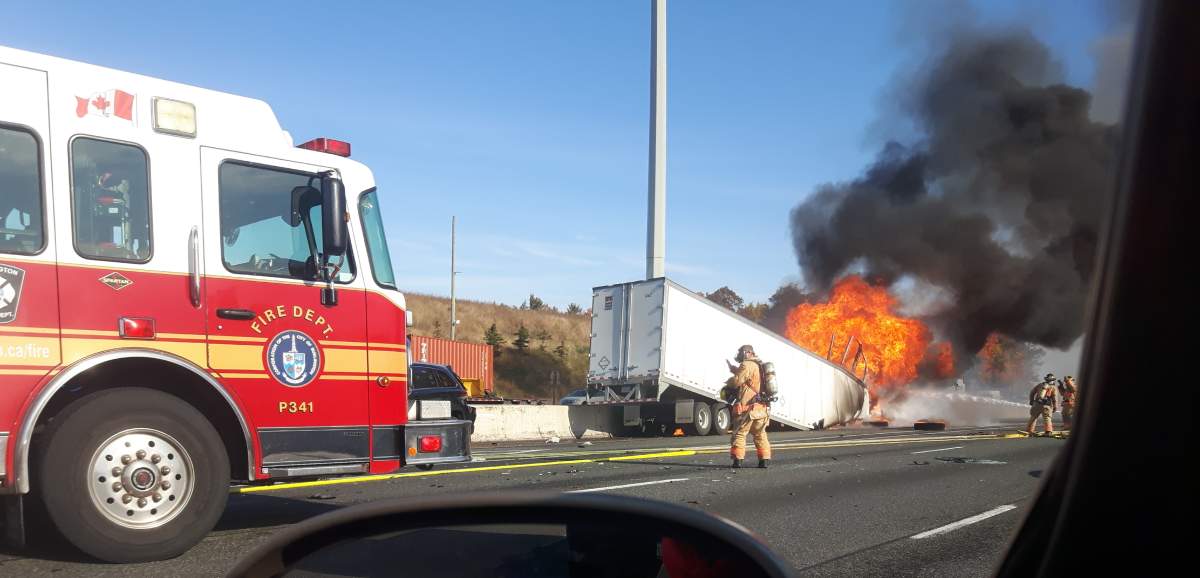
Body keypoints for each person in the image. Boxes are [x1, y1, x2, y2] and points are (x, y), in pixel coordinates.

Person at [725, 345, 771, 468]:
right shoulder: (759, 365)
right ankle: (764, 460)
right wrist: (734, 369)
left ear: (748, 353)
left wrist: (728, 382)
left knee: (740, 433)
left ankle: (737, 461)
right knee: (760, 435)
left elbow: (737, 381)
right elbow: (749, 377)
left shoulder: (747, 364)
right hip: (761, 409)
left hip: (748, 410)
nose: (739, 355)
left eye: (741, 352)